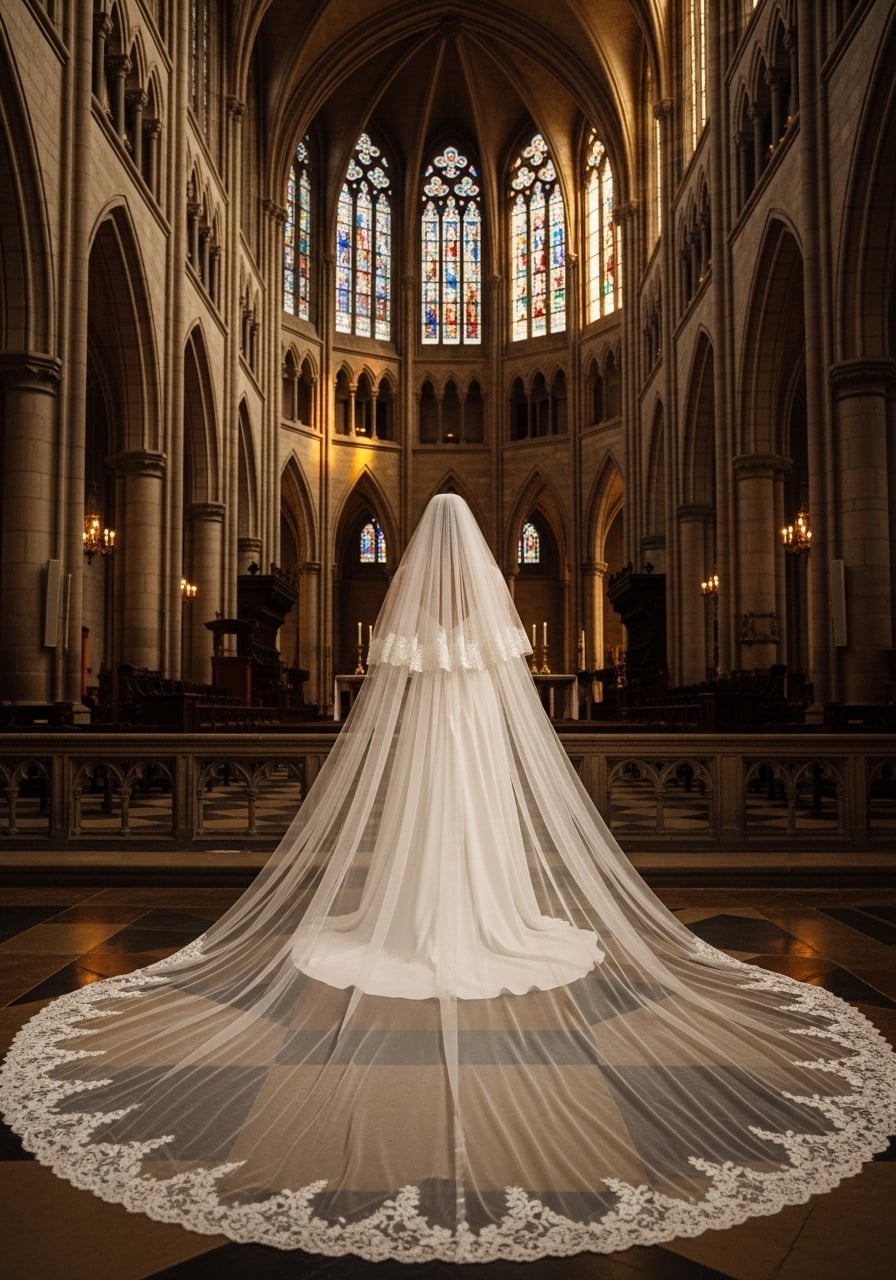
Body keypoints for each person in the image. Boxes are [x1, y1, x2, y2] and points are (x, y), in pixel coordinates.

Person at [2, 493, 894, 1264]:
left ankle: (413, 921)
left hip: (427, 755)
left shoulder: (407, 634)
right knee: (478, 834)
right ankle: (490, 914)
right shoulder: (493, 630)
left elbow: (394, 702)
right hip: (474, 757)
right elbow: (508, 711)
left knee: (421, 832)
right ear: (476, 559)